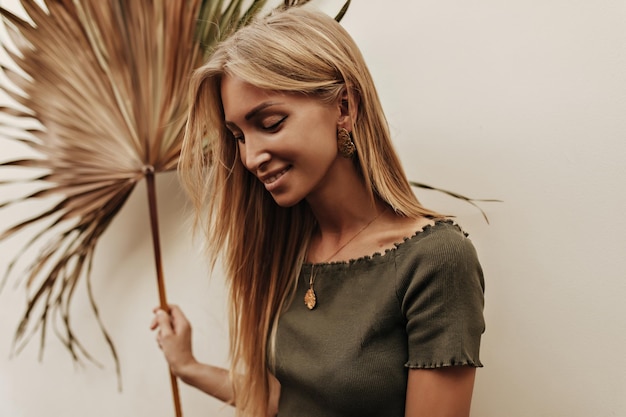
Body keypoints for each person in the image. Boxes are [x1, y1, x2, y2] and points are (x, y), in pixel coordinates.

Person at [150, 6, 485, 417]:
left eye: (270, 123)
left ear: (344, 106)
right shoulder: (285, 251)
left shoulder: (433, 261)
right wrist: (187, 366)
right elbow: (284, 398)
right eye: (238, 136)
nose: (252, 157)